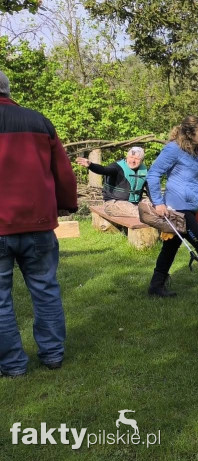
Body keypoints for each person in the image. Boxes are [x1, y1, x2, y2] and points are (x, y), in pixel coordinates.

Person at [0, 69, 78, 377]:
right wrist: (66, 205)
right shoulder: (38, 121)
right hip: (39, 223)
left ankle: (13, 365)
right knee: (45, 290)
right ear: (7, 89)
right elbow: (63, 171)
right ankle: (53, 355)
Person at [146, 116, 198, 297]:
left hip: (191, 206)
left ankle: (156, 286)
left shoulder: (197, 152)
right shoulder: (173, 150)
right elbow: (153, 175)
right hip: (177, 207)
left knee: (170, 247)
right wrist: (158, 203)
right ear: (190, 133)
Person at [76, 146, 147, 217]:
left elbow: (151, 190)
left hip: (136, 202)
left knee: (153, 206)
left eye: (137, 159)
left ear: (142, 161)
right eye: (131, 157)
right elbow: (104, 170)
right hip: (114, 203)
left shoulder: (144, 171)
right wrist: (91, 165)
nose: (133, 161)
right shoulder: (117, 167)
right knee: (139, 213)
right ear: (127, 157)